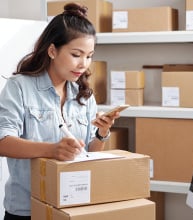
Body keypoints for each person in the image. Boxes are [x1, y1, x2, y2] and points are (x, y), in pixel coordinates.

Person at [0, 3, 119, 220]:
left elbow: (89, 154)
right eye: (76, 54)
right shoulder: (20, 87)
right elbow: (2, 142)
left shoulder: (84, 94)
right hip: (27, 210)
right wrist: (52, 150)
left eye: (89, 55)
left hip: (73, 207)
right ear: (53, 50)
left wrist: (101, 134)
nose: (83, 64)